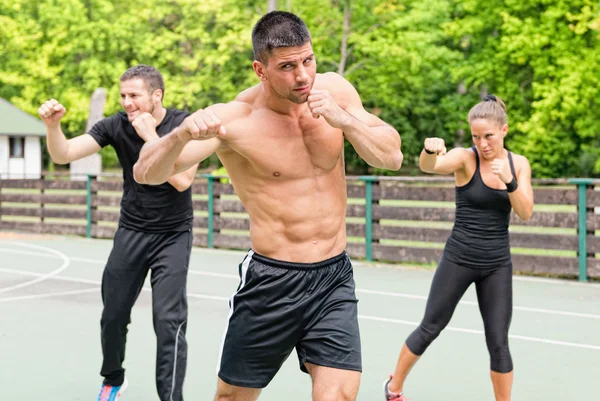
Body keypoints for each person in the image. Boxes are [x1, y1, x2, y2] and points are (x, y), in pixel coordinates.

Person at [133, 10, 403, 401]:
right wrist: (179, 135)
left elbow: (391, 156)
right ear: (260, 69)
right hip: (271, 281)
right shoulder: (235, 119)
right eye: (288, 66)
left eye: (308, 61)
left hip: (333, 277)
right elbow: (147, 173)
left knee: (338, 396)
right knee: (233, 398)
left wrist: (344, 120)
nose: (303, 76)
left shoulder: (336, 93)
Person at [37, 65, 199, 401]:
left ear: (157, 95)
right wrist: (53, 127)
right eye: (123, 95)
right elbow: (63, 154)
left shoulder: (183, 125)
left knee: (168, 322)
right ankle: (113, 379)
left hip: (173, 235)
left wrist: (151, 137)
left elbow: (182, 180)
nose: (127, 102)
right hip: (132, 231)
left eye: (134, 95)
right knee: (113, 315)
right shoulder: (114, 125)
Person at [384, 95, 534, 401]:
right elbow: (431, 166)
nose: (482, 143)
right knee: (431, 326)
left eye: (489, 136)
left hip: (497, 264)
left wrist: (510, 182)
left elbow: (526, 212)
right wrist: (429, 149)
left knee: (498, 342)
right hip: (459, 258)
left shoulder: (518, 164)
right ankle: (394, 387)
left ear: (504, 130)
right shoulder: (466, 159)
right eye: (476, 137)